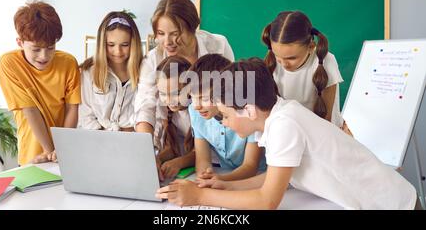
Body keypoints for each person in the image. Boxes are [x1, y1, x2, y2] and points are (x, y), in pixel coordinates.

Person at [156, 59, 417, 210]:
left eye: (225, 115)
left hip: (394, 204)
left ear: (248, 110)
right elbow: (274, 176)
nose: (224, 123)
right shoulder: (280, 116)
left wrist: (200, 196)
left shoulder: (284, 125)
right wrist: (225, 185)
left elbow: (268, 200)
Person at [134, 0, 234, 149]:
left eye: (175, 34)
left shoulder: (218, 46)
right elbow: (145, 107)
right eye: (160, 34)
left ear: (192, 28)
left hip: (217, 143)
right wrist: (146, 150)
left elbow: (230, 96)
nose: (167, 42)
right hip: (177, 144)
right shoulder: (153, 60)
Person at [0, 1, 81, 165]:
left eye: (50, 48)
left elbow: (72, 108)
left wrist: (60, 150)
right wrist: (49, 151)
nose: (44, 56)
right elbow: (30, 110)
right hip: (32, 155)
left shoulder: (69, 63)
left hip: (63, 154)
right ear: (20, 42)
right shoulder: (8, 63)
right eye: (36, 49)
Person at [262, 11, 351, 133]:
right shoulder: (270, 63)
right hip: (289, 134)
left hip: (323, 135)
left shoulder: (325, 61)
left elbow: (326, 119)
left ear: (311, 46)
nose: (284, 64)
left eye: (291, 58)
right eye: (277, 55)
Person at [188, 54, 266, 181]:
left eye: (205, 98)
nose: (197, 106)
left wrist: (220, 181)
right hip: (225, 174)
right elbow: (203, 160)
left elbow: (250, 166)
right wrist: (204, 180)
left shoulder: (247, 111)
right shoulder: (195, 111)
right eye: (192, 96)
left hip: (259, 177)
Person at [79, 11, 143, 132]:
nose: (118, 51)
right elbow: (85, 116)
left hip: (133, 140)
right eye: (111, 45)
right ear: (102, 44)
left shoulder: (143, 72)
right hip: (98, 140)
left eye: (125, 45)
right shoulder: (88, 73)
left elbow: (146, 113)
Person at [155, 56, 195, 179]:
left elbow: (204, 152)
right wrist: (157, 159)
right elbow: (172, 148)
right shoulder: (167, 112)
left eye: (176, 93)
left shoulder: (199, 110)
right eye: (163, 94)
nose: (168, 100)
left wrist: (179, 162)